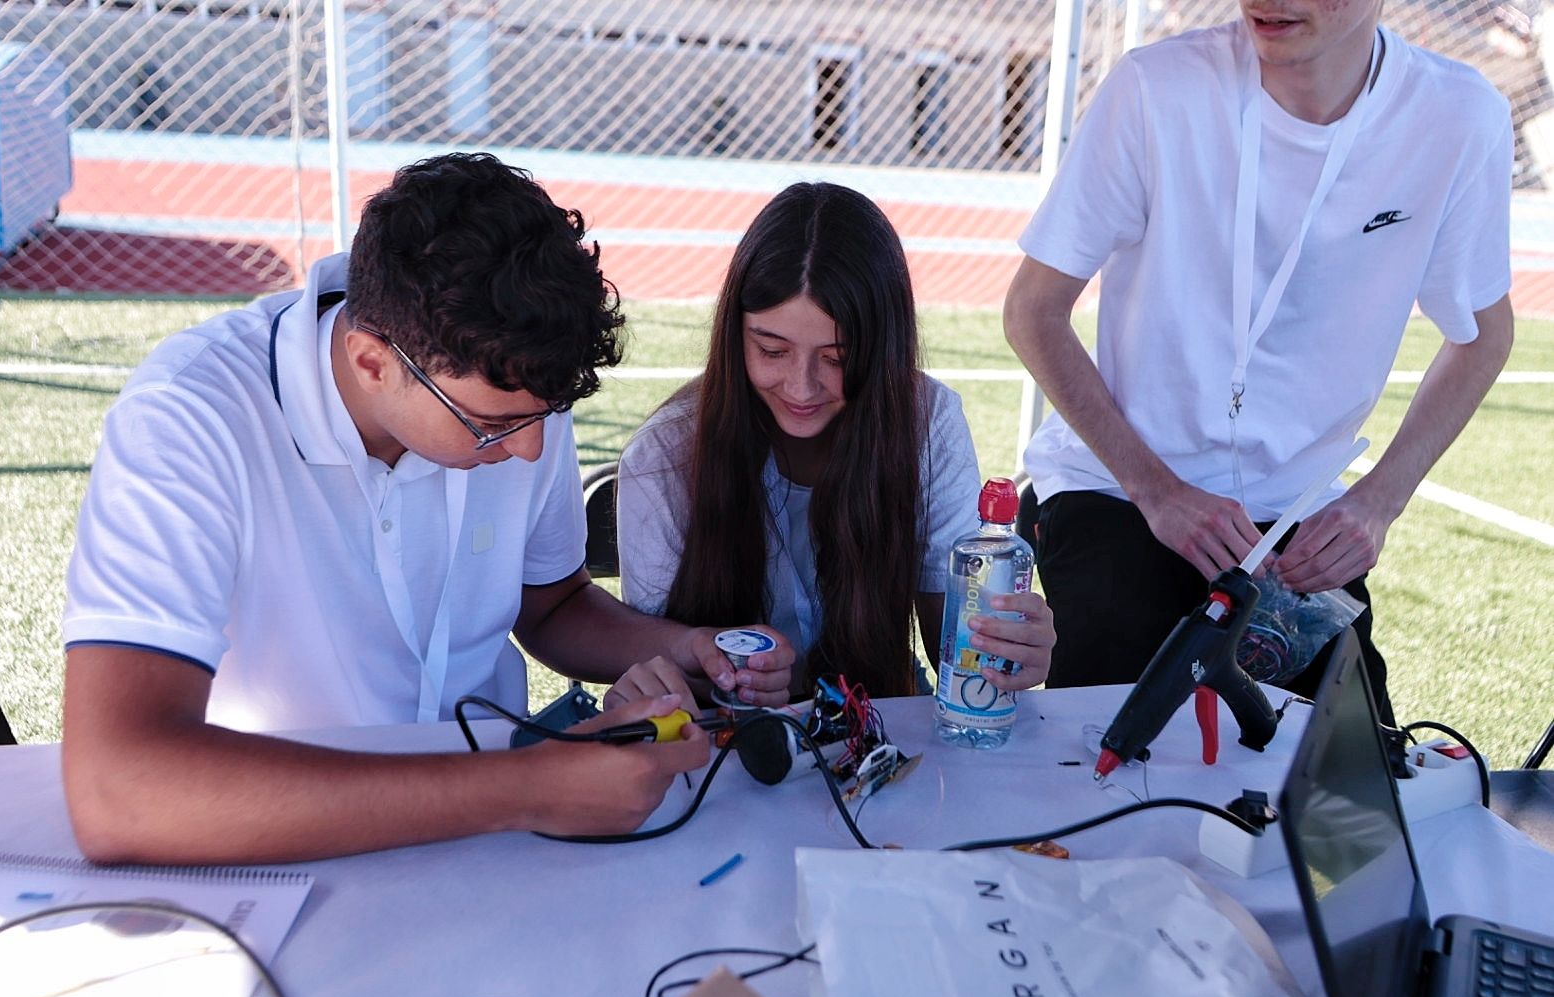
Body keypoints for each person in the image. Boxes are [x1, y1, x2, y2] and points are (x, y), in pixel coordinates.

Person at [60, 153, 793, 865]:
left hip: (490, 832)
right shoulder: (191, 419)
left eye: (550, 414)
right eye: (494, 426)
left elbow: (554, 605)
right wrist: (525, 791)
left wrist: (679, 647)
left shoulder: (513, 385)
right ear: (372, 362)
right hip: (274, 838)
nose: (532, 451)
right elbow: (118, 788)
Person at [1002, 0, 1514, 716]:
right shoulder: (1158, 88)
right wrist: (1157, 490)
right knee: (1114, 735)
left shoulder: (1458, 119)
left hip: (1293, 522)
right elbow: (1032, 310)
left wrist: (1377, 502)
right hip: (1119, 490)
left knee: (1347, 778)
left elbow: (1483, 335)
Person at [617, 182, 1054, 701]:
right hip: (725, 744)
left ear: (885, 348)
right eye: (772, 350)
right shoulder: (664, 455)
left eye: (837, 358)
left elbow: (957, 645)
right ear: (735, 336)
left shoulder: (927, 420)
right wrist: (726, 677)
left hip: (876, 730)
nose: (802, 387)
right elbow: (657, 669)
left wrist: (1008, 647)